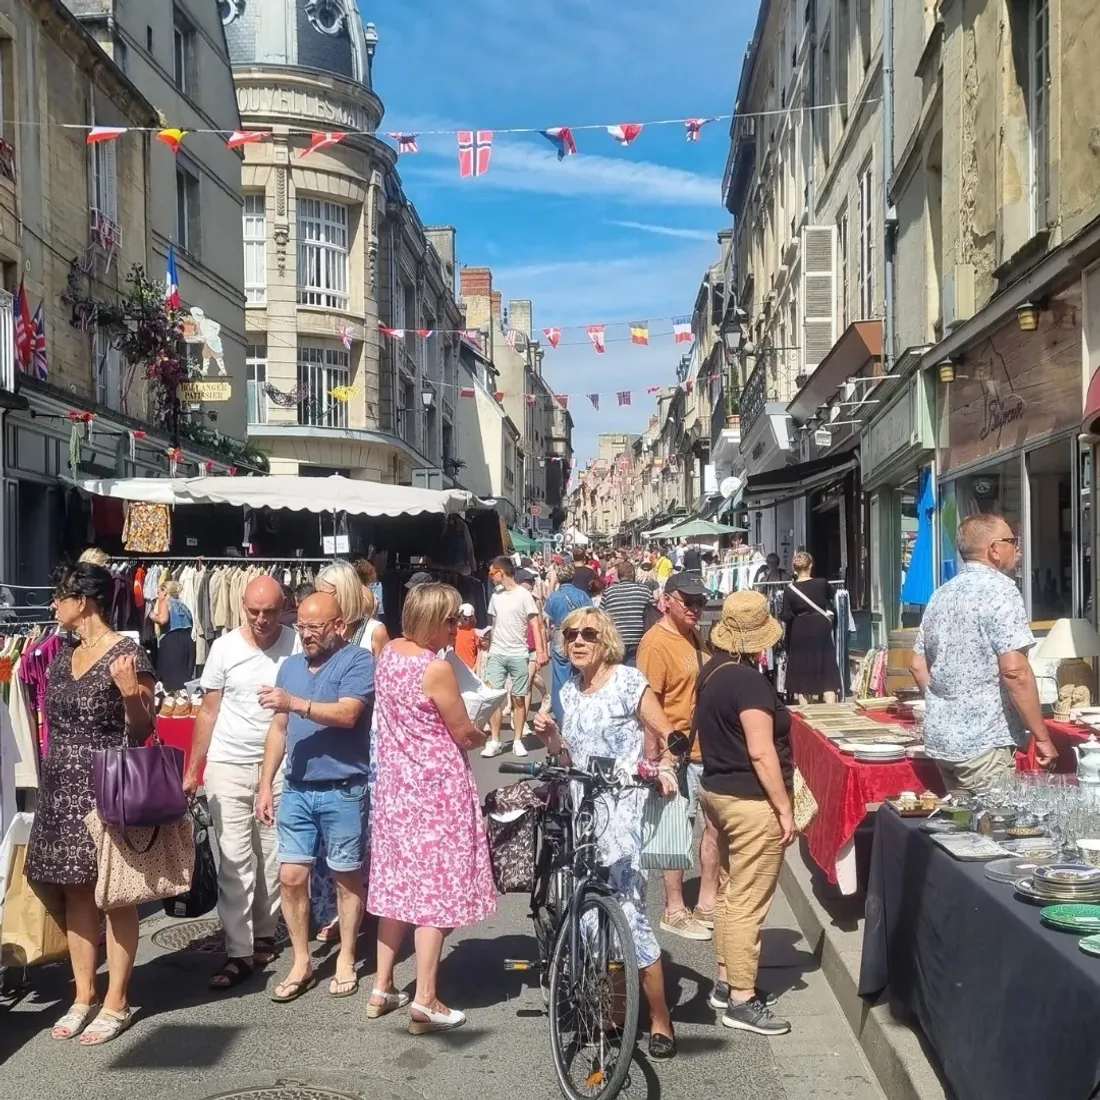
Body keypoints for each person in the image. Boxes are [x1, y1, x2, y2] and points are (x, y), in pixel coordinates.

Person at [533, 607, 680, 1059]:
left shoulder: (628, 681)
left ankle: (660, 1021)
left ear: (606, 640)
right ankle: (615, 1013)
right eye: (570, 634)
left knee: (629, 913)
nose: (577, 641)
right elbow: (566, 757)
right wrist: (551, 738)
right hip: (583, 811)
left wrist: (667, 766)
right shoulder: (570, 690)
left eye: (588, 634)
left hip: (623, 812)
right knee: (593, 919)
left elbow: (666, 731)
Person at [26, 562, 156, 1044]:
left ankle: (117, 1001)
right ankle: (83, 995)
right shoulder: (62, 653)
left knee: (113, 893)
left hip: (107, 785)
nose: (53, 606)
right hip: (62, 784)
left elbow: (143, 729)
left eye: (58, 597)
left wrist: (128, 694)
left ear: (83, 601)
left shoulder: (127, 653)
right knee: (76, 891)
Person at [367, 582, 496, 1033]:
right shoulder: (434, 668)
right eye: (450, 621)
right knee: (435, 893)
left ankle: (382, 986)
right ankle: (425, 997)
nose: (455, 627)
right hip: (436, 787)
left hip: (396, 787)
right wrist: (483, 731)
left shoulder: (389, 655)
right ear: (433, 620)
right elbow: (461, 732)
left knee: (397, 886)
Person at [255, 592, 374, 1002]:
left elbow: (348, 714)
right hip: (296, 789)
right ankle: (302, 960)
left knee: (345, 877)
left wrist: (296, 702)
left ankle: (346, 956)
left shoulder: (357, 661)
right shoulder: (290, 666)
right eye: (301, 627)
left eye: (315, 627)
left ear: (339, 626)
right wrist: (265, 784)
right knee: (290, 876)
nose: (305, 635)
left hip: (343, 789)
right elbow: (279, 729)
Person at [184, 575, 298, 991]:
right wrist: (192, 769)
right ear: (242, 608)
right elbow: (209, 711)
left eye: (269, 612)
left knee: (272, 857)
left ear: (283, 608)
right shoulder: (224, 647)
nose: (262, 620)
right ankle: (238, 950)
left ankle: (264, 933)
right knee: (234, 859)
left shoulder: (297, 645)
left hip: (280, 765)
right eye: (254, 612)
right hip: (229, 763)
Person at [696, 590, 796, 1036]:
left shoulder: (713, 672)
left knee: (734, 892)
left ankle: (724, 980)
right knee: (747, 902)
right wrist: (784, 807)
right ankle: (741, 997)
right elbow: (760, 752)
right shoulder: (749, 683)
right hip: (748, 800)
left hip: (718, 791)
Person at [909, 513, 1057, 795]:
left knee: (960, 834)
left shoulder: (941, 594)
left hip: (944, 741)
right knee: (991, 831)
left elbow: (917, 665)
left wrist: (947, 705)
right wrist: (1043, 737)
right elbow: (1015, 671)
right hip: (985, 741)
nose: (1018, 548)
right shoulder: (1000, 591)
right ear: (993, 549)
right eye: (1012, 541)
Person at [637, 573, 717, 942]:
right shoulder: (656, 643)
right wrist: (657, 762)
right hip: (676, 752)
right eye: (688, 601)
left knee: (712, 825)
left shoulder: (694, 635)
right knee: (675, 830)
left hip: (703, 748)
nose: (696, 608)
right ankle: (673, 908)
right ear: (665, 600)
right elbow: (646, 705)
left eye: (700, 601)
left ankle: (706, 902)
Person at [481, 557, 546, 758]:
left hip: (518, 652)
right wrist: (489, 652)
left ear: (502, 572)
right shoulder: (495, 596)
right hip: (498, 653)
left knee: (518, 698)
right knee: (493, 698)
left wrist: (541, 651)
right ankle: (495, 740)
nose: (490, 577)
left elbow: (536, 624)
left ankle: (517, 739)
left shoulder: (524, 595)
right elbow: (494, 625)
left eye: (492, 573)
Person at [780, 552, 842, 704]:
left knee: (802, 674)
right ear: (811, 566)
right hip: (820, 627)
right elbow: (834, 598)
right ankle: (832, 712)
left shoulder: (789, 589)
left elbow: (786, 615)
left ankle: (806, 715)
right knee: (827, 670)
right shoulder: (822, 583)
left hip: (799, 629)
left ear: (795, 569)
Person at [542, 562, 594, 724]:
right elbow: (591, 615)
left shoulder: (554, 597)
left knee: (560, 676)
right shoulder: (582, 595)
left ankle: (562, 714)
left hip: (560, 633)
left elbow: (547, 619)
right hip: (580, 634)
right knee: (582, 672)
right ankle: (581, 709)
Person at [600, 560, 655, 667]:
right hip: (638, 638)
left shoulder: (609, 592)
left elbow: (601, 615)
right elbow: (653, 612)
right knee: (635, 671)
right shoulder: (644, 590)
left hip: (616, 638)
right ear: (633, 574)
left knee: (616, 672)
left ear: (618, 576)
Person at [149, 580, 196, 691]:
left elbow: (163, 619)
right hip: (188, 642)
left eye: (159, 592)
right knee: (184, 682)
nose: (157, 595)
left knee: (171, 683)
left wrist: (152, 616)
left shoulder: (165, 602)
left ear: (165, 592)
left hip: (173, 643)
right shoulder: (182, 605)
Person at [453, 602, 479, 670]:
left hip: (470, 668)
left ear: (471, 618)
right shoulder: (455, 630)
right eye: (460, 617)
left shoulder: (475, 632)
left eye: (465, 619)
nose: (461, 620)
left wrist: (475, 667)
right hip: (457, 667)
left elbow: (479, 652)